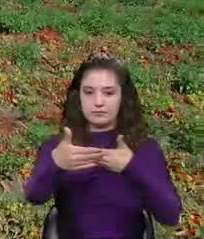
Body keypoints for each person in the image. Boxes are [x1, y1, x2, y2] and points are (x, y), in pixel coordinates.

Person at [24, 52, 182, 238]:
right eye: (89, 92)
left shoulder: (145, 149)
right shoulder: (59, 147)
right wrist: (55, 163)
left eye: (108, 93)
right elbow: (34, 196)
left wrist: (132, 167)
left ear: (123, 97)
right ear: (78, 97)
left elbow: (170, 215)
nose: (98, 102)